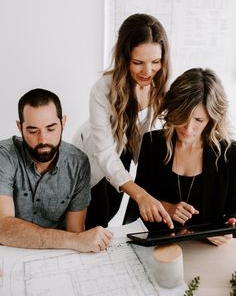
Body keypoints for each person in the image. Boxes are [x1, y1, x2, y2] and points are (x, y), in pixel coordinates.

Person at [73, 13, 173, 229]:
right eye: (138, 62)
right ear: (124, 57)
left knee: (112, 213)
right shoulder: (103, 89)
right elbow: (105, 153)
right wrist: (140, 195)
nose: (148, 72)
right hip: (94, 157)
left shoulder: (162, 83)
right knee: (94, 221)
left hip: (125, 150)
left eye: (155, 61)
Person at [125, 68, 236, 246]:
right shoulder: (153, 144)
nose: (187, 128)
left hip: (206, 250)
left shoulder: (229, 153)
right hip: (159, 247)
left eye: (198, 120)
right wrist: (167, 208)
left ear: (212, 120)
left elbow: (233, 211)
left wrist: (228, 228)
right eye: (182, 116)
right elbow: (137, 203)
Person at [0, 88, 113, 253]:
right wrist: (74, 240)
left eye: (51, 128)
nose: (43, 139)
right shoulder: (4, 156)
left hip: (58, 254)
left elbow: (75, 231)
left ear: (63, 123)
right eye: (33, 131)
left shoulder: (78, 164)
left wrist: (76, 240)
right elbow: (3, 227)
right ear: (20, 127)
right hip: (10, 253)